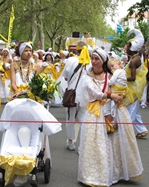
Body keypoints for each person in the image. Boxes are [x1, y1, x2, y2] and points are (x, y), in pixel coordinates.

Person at [77, 47, 124, 186]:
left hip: (109, 110)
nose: (94, 61)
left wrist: (118, 96)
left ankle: (109, 173)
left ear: (103, 61)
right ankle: (92, 175)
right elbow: (95, 93)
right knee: (94, 143)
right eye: (93, 58)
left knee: (110, 142)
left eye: (97, 59)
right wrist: (111, 95)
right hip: (94, 112)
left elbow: (118, 89)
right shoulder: (87, 77)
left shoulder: (110, 76)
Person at [106, 55, 144, 184]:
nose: (112, 68)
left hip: (116, 100)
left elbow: (111, 83)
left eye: (112, 66)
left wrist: (109, 81)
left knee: (113, 113)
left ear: (118, 64)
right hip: (119, 99)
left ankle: (113, 123)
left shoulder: (118, 72)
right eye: (110, 67)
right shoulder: (121, 72)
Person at [61, 41, 91, 151]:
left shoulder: (70, 60)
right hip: (85, 94)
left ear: (76, 50)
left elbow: (65, 77)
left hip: (72, 93)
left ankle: (71, 141)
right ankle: (82, 146)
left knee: (70, 118)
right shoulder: (90, 63)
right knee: (83, 119)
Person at [124, 29, 149, 138]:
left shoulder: (134, 60)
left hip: (133, 89)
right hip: (133, 88)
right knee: (135, 111)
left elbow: (133, 78)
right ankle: (142, 130)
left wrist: (122, 79)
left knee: (130, 112)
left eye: (128, 47)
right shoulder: (134, 58)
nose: (126, 48)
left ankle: (126, 132)